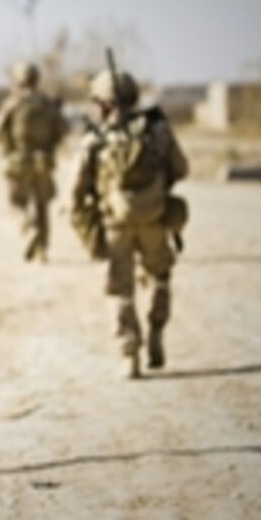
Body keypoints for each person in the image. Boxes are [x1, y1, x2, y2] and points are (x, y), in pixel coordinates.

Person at [69, 68, 189, 378]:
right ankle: (157, 329)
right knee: (159, 276)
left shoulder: (94, 138)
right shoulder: (157, 129)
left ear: (105, 103)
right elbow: (182, 167)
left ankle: (130, 353)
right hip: (155, 220)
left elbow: (75, 191)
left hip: (114, 225)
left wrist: (83, 221)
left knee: (119, 290)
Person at [0, 61, 68, 262]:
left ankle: (28, 228)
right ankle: (43, 250)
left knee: (16, 203)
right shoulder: (47, 103)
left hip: (19, 160)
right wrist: (50, 148)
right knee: (42, 206)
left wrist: (8, 149)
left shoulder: (13, 103)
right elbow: (63, 129)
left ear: (19, 81)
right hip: (43, 161)